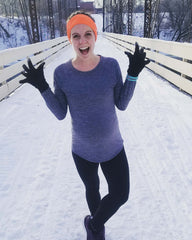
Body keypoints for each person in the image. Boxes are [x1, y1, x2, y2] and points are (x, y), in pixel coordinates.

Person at [20, 11, 150, 240]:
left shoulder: (110, 66)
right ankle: (97, 231)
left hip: (113, 147)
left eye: (87, 34)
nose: (82, 41)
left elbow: (121, 104)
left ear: (95, 36)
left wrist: (132, 75)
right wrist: (42, 87)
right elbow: (60, 113)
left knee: (120, 194)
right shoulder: (62, 73)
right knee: (92, 189)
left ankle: (93, 224)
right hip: (82, 150)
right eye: (76, 35)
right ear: (70, 39)